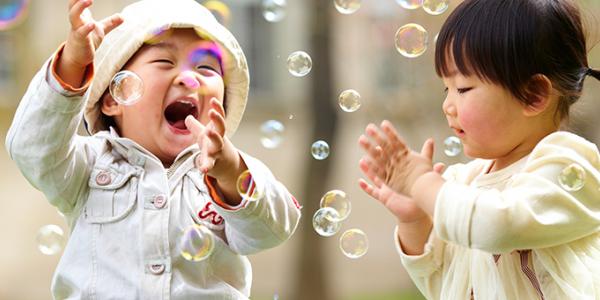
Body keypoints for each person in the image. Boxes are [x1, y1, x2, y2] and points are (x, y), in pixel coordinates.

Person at [5, 0, 301, 298]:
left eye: (206, 67)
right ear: (114, 96)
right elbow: (31, 147)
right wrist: (71, 65)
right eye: (164, 62)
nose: (189, 78)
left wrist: (230, 172)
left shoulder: (230, 174)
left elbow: (271, 231)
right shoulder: (89, 166)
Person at [358, 0, 600, 299]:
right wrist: (415, 223)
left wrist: (421, 181)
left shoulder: (566, 167)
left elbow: (497, 226)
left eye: (462, 88)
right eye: (446, 89)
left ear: (533, 95)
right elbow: (445, 287)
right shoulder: (465, 182)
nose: (447, 105)